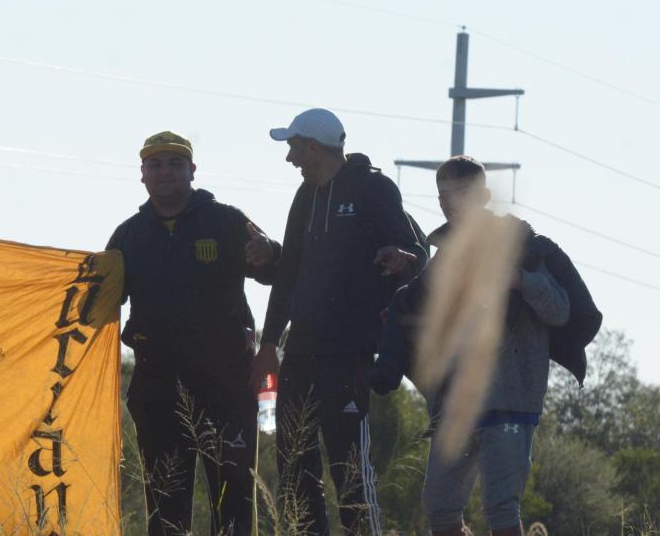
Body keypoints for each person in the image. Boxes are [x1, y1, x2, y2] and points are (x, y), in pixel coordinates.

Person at [370, 155, 600, 536]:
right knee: (440, 509)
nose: (449, 202)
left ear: (484, 195)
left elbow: (560, 311)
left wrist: (520, 280)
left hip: (509, 402)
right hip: (455, 404)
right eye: (442, 194)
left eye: (460, 192)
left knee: (502, 511)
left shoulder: (523, 246)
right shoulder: (446, 254)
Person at [255, 108, 426, 535]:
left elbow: (416, 255)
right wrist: (268, 343)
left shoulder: (374, 188)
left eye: (294, 149)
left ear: (313, 147)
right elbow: (289, 271)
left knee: (349, 465)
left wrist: (402, 260)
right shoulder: (305, 196)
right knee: (293, 462)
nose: (290, 159)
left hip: (350, 352)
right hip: (300, 351)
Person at [107, 131, 281, 536]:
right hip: (157, 386)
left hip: (226, 383)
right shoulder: (128, 235)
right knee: (165, 506)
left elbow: (275, 271)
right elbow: (96, 302)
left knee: (234, 500)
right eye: (155, 164)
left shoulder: (227, 220)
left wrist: (271, 250)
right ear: (143, 174)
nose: (164, 171)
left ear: (192, 171)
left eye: (174, 163)